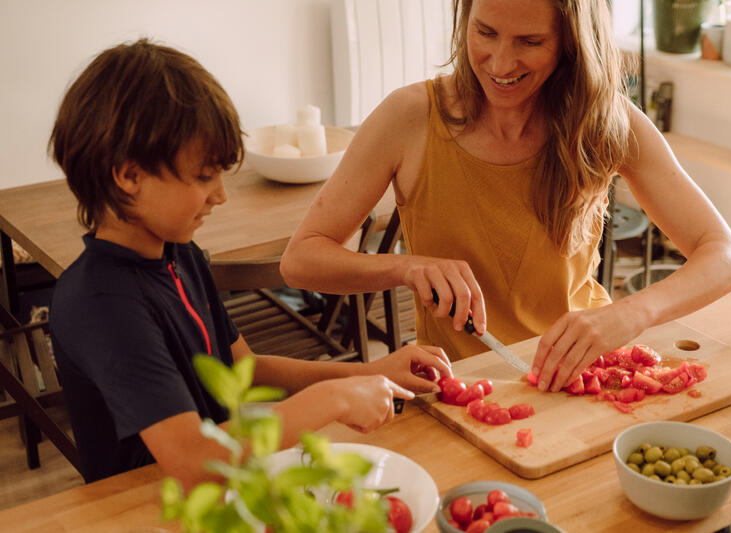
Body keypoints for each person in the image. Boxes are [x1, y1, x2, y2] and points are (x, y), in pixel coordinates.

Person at [280, 0, 731, 394]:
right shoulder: (408, 117)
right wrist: (407, 266)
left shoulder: (607, 120)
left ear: (570, 43)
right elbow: (301, 259)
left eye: (530, 42)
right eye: (484, 32)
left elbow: (727, 258)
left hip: (589, 378)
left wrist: (630, 314)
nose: (501, 64)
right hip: (463, 385)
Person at [48, 39, 451, 489]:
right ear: (128, 176)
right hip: (146, 506)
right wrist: (331, 399)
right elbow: (192, 457)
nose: (220, 195)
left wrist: (369, 370)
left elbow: (245, 368)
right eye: (204, 177)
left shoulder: (178, 254)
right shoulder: (100, 303)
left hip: (219, 488)